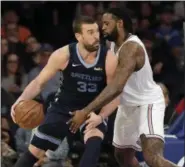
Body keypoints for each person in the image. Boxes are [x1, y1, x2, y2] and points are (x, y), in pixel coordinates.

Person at [68, 7, 178, 167]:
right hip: (127, 106)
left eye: (106, 23)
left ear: (120, 23)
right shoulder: (112, 44)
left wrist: (85, 111)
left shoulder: (131, 48)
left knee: (152, 158)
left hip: (147, 103)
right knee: (122, 156)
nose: (103, 27)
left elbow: (116, 87)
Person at [11, 16, 118, 167]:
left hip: (92, 108)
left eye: (96, 32)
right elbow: (38, 83)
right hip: (63, 107)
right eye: (90, 32)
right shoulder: (63, 54)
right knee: (35, 151)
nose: (96, 36)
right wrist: (19, 100)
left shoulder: (109, 58)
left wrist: (100, 117)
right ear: (78, 36)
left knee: (94, 141)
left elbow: (116, 93)